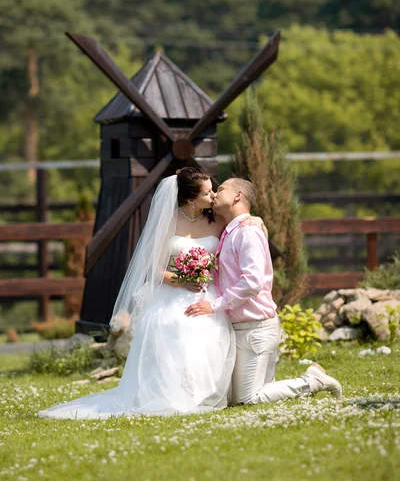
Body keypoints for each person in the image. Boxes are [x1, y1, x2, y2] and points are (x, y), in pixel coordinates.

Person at [38, 169, 264, 420]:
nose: (213, 196)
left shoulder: (217, 221)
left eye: (213, 190)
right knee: (171, 324)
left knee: (208, 332)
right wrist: (181, 280)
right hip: (173, 291)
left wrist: (257, 220)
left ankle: (203, 394)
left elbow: (240, 225)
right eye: (207, 192)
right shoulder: (167, 222)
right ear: (191, 199)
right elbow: (154, 269)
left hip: (208, 293)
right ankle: (170, 394)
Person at [185, 178, 342, 404]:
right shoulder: (231, 231)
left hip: (255, 328)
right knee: (226, 398)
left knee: (247, 398)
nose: (214, 194)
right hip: (239, 327)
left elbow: (252, 282)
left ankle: (312, 381)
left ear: (238, 196)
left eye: (220, 189)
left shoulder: (247, 232)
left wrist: (214, 305)